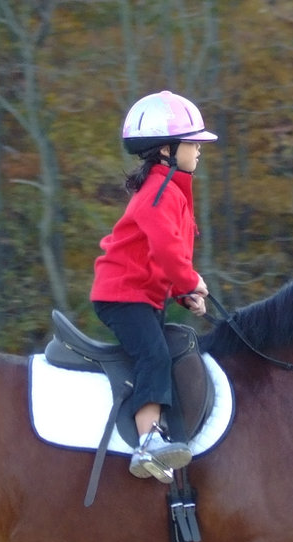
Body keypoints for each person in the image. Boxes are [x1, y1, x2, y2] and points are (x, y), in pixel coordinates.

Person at [90, 90, 217, 483]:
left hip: (141, 295)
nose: (198, 150)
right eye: (193, 143)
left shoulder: (171, 191)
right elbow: (166, 250)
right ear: (167, 149)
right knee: (155, 357)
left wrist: (183, 292)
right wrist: (191, 280)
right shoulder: (159, 194)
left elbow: (162, 257)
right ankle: (146, 444)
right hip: (122, 296)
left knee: (167, 353)